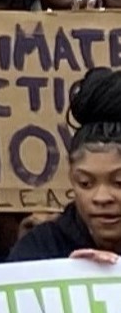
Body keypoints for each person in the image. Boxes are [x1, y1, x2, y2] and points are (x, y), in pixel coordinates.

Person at [11, 67, 121, 261]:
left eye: (119, 182)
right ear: (71, 177)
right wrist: (63, 277)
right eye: (86, 183)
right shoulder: (40, 247)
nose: (102, 198)